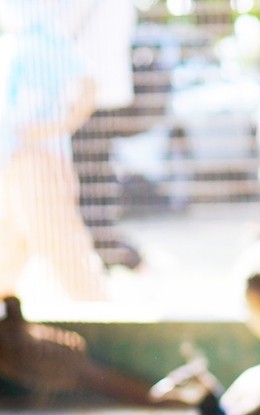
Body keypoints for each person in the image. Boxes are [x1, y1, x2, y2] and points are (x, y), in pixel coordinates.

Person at [0, 0, 109, 301]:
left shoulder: (43, 41)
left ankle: (102, 315)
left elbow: (89, 85)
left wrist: (59, 125)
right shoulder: (15, 42)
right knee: (9, 245)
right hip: (12, 163)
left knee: (63, 248)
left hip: (36, 161)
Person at [67, 0, 140, 270]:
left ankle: (114, 256)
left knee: (87, 184)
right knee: (97, 180)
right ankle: (109, 256)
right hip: (102, 94)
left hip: (82, 95)